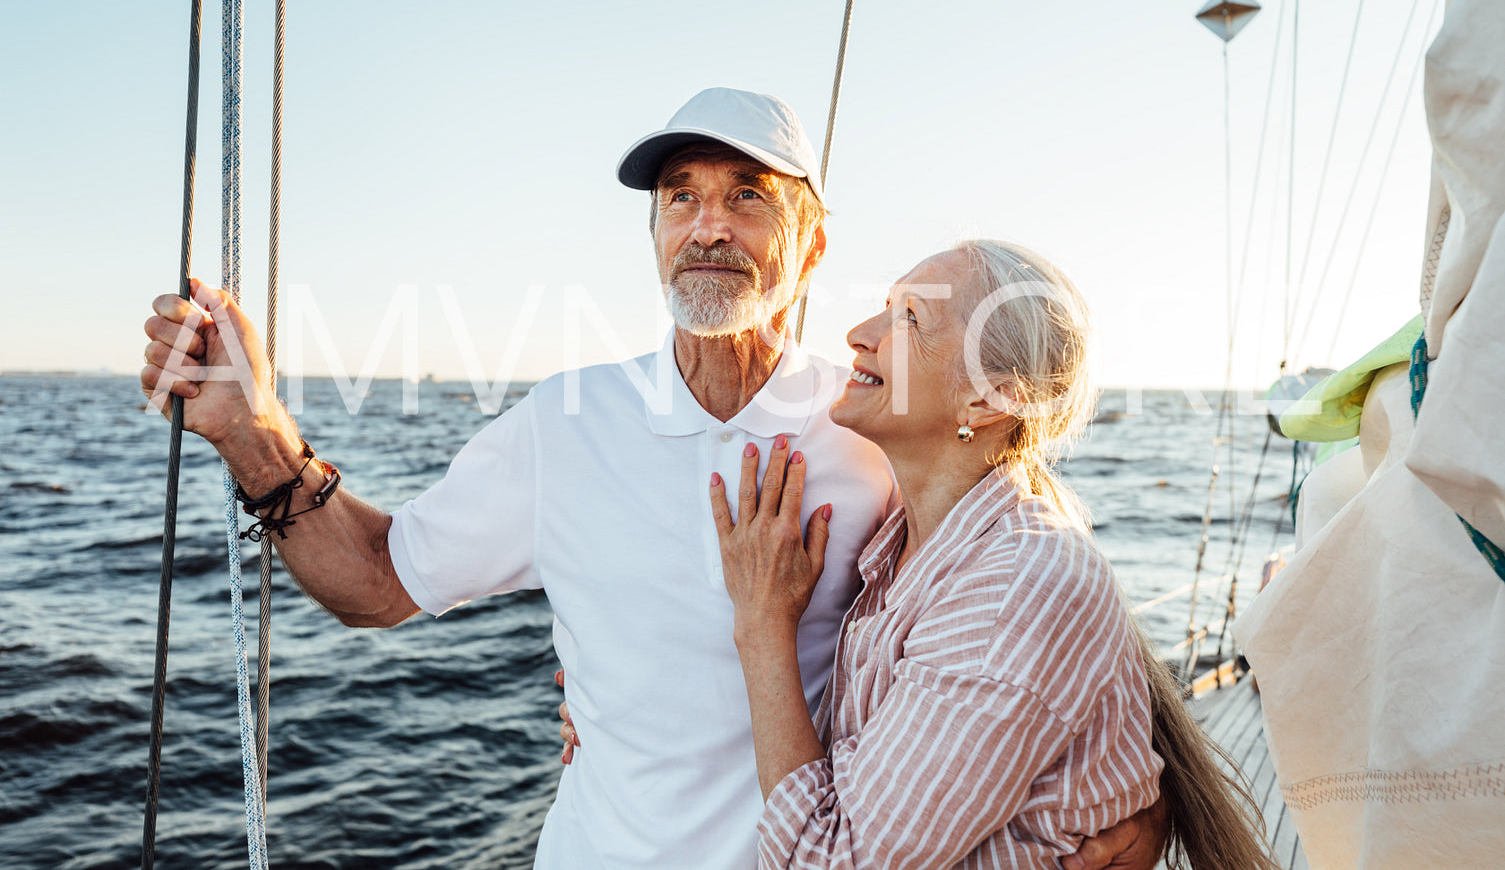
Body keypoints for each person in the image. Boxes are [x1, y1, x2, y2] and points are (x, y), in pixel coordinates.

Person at [140, 88, 1166, 869]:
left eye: (746, 198)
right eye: (681, 197)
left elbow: (1033, 596)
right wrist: (251, 432)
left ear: (808, 249)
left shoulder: (870, 425)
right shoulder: (562, 424)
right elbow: (376, 578)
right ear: (654, 235)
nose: (707, 224)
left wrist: (1144, 802)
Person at [711, 241, 1280, 868]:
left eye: (909, 318)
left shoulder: (1015, 583)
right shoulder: (904, 543)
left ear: (986, 400)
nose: (857, 334)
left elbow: (832, 860)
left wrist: (763, 621)